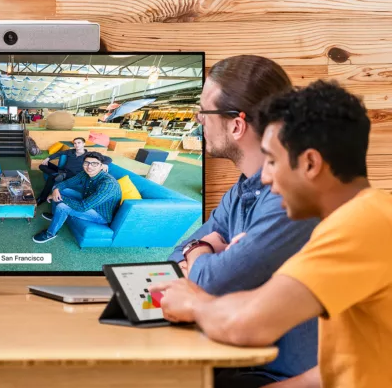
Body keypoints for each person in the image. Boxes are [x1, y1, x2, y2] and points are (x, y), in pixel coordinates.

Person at [152, 80, 392, 388]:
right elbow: (340, 369)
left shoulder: (360, 224)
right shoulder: (367, 216)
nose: (264, 177)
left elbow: (249, 324)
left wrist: (195, 302)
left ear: (310, 163)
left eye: (272, 162)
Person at [167, 55, 318, 387]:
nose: (198, 120)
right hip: (236, 355)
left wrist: (206, 260)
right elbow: (175, 258)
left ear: (236, 125)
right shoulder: (241, 191)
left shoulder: (291, 201)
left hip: (274, 373)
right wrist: (203, 248)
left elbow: (209, 283)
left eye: (204, 112)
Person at [33, 152, 121, 244]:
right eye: (86, 163)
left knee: (62, 207)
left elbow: (83, 207)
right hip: (87, 199)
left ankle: (50, 233)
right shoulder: (85, 173)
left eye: (94, 163)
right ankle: (55, 215)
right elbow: (67, 183)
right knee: (59, 190)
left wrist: (58, 197)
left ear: (101, 165)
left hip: (100, 214)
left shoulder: (108, 184)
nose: (89, 167)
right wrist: (56, 190)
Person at [35, 137, 112, 205]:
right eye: (75, 143)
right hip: (63, 171)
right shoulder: (70, 151)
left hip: (73, 175)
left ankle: (42, 198)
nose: (76, 145)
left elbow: (108, 158)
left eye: (79, 143)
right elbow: (59, 153)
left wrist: (105, 164)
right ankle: (57, 174)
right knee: (42, 165)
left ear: (84, 144)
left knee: (52, 176)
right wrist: (48, 158)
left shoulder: (89, 155)